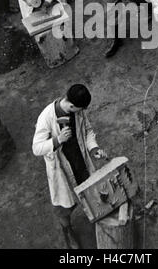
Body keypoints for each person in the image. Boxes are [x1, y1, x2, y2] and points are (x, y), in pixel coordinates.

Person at [32, 84, 107, 249]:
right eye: (79, 109)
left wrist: (93, 148)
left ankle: (98, 219)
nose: (81, 112)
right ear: (71, 105)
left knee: (89, 191)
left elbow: (87, 131)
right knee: (65, 205)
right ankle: (67, 230)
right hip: (62, 168)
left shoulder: (78, 111)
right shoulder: (46, 117)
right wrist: (57, 140)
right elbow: (36, 148)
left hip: (80, 161)